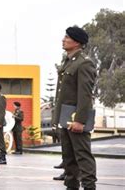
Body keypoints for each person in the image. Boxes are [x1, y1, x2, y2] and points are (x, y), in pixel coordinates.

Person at [52, 26, 97, 189]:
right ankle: (71, 186)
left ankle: (89, 187)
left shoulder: (84, 63)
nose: (63, 39)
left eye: (67, 37)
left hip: (76, 119)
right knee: (68, 158)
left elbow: (85, 95)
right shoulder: (68, 61)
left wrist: (79, 120)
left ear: (77, 42)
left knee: (82, 156)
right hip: (65, 117)